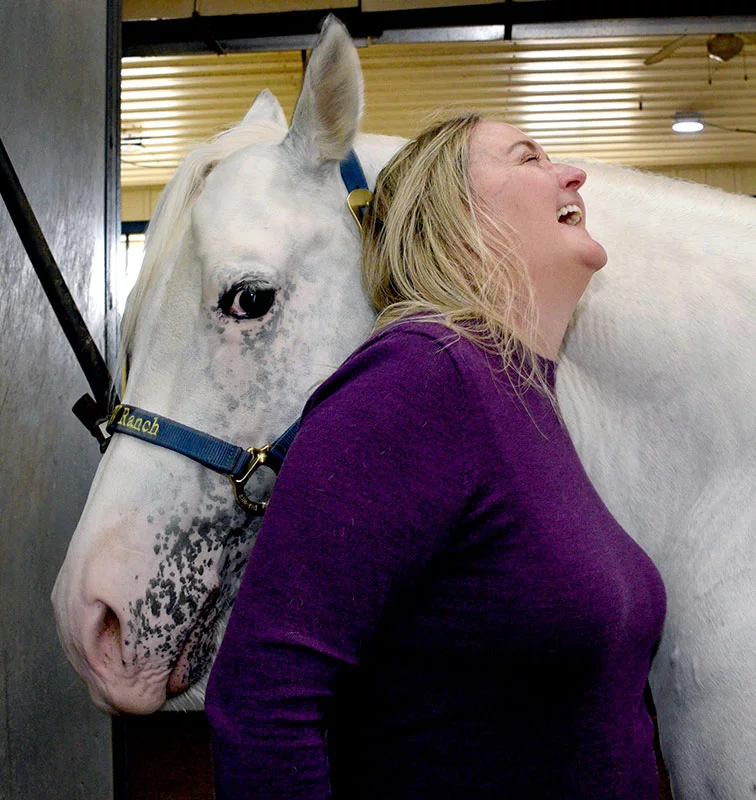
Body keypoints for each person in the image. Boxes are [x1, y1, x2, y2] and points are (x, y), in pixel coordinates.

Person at [205, 113, 667, 799]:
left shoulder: (520, 395)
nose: (572, 174)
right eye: (527, 157)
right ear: (447, 214)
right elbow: (261, 699)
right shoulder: (419, 379)